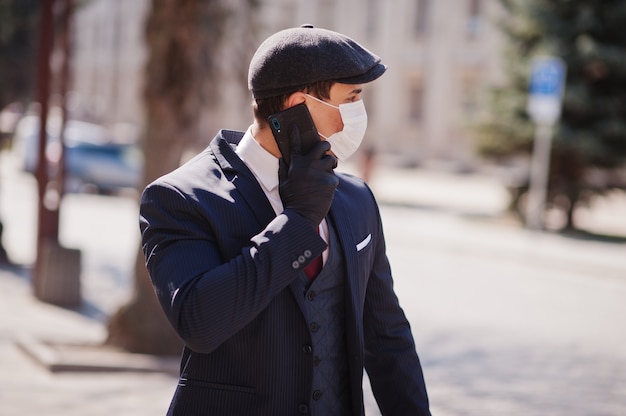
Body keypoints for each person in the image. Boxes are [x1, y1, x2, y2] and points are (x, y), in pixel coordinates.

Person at [140, 25, 431, 416]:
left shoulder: (357, 199)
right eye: (351, 99)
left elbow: (387, 337)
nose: (358, 117)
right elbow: (199, 321)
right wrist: (298, 222)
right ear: (298, 106)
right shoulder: (180, 199)